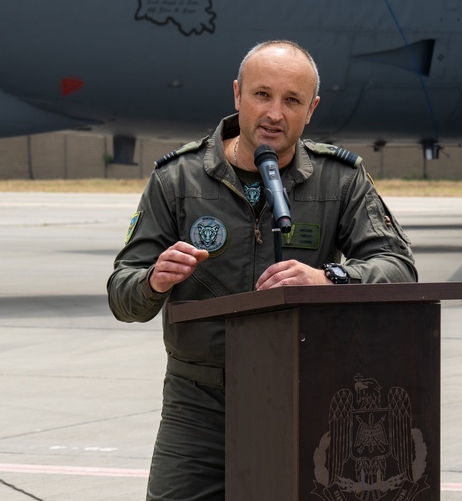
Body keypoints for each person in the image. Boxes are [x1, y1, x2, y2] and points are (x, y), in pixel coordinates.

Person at [107, 40, 417, 501]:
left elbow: (399, 269)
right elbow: (121, 294)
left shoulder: (340, 180)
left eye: (291, 100)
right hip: (200, 401)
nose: (274, 113)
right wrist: (154, 280)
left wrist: (328, 278)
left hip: (304, 395)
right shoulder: (178, 179)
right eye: (261, 95)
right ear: (237, 94)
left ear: (311, 109)